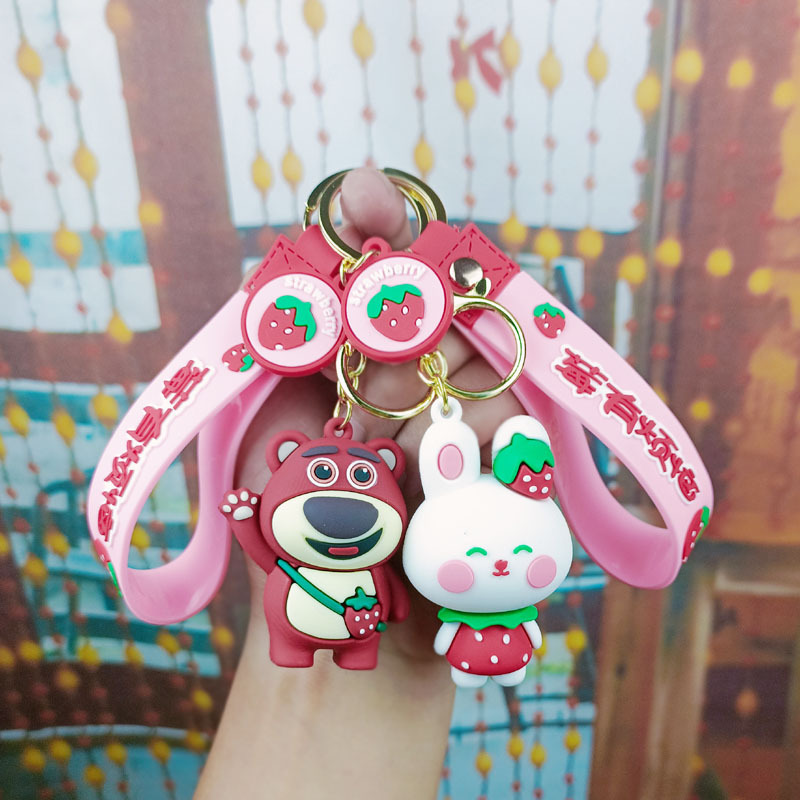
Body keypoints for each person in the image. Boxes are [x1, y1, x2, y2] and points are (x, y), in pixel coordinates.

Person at [195, 168, 526, 799]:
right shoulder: (295, 513)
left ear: (390, 468)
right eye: (320, 473)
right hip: (326, 624)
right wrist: (244, 517)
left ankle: (358, 664)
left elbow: (366, 590)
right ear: (287, 456)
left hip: (368, 632)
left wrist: (403, 612)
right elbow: (267, 549)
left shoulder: (390, 535)